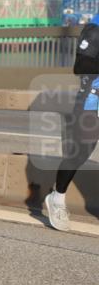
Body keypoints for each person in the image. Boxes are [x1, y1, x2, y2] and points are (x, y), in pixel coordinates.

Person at [45, 13, 99, 231]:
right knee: (80, 153)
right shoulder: (95, 28)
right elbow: (81, 65)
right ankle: (57, 198)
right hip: (91, 101)